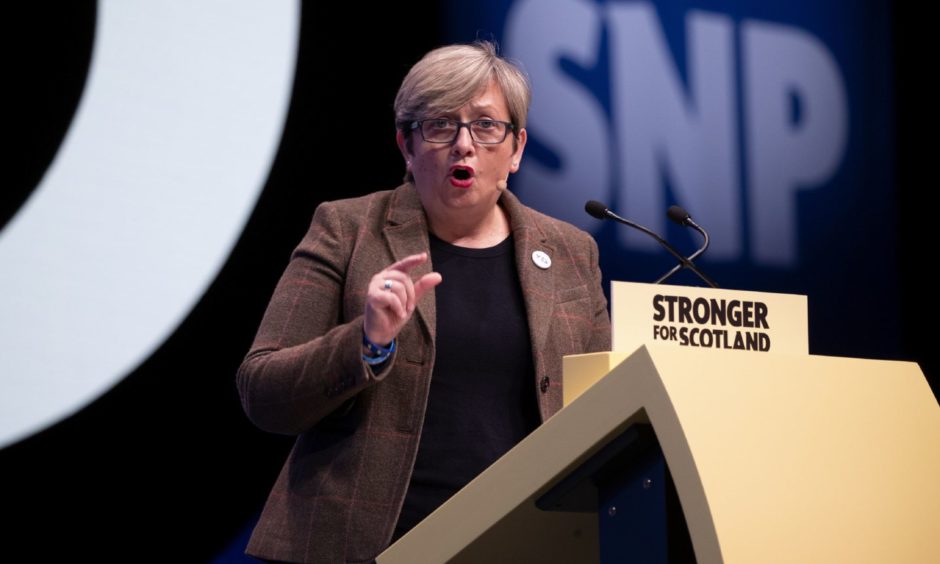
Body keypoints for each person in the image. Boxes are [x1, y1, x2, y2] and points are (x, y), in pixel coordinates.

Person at [237, 40, 611, 563]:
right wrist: (365, 343)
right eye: (439, 125)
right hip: (362, 546)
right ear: (406, 146)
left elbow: (598, 413)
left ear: (518, 147)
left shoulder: (572, 253)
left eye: (485, 125)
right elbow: (263, 391)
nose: (464, 144)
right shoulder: (348, 230)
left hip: (522, 542)